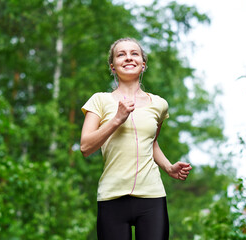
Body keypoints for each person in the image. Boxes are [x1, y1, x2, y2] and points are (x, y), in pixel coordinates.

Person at [80, 38, 192, 240]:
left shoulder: (159, 104)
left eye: (134, 53)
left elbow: (151, 142)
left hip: (152, 196)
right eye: (121, 54)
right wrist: (117, 119)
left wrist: (168, 167)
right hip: (112, 196)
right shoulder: (99, 100)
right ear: (113, 67)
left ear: (143, 64)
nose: (128, 57)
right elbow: (86, 147)